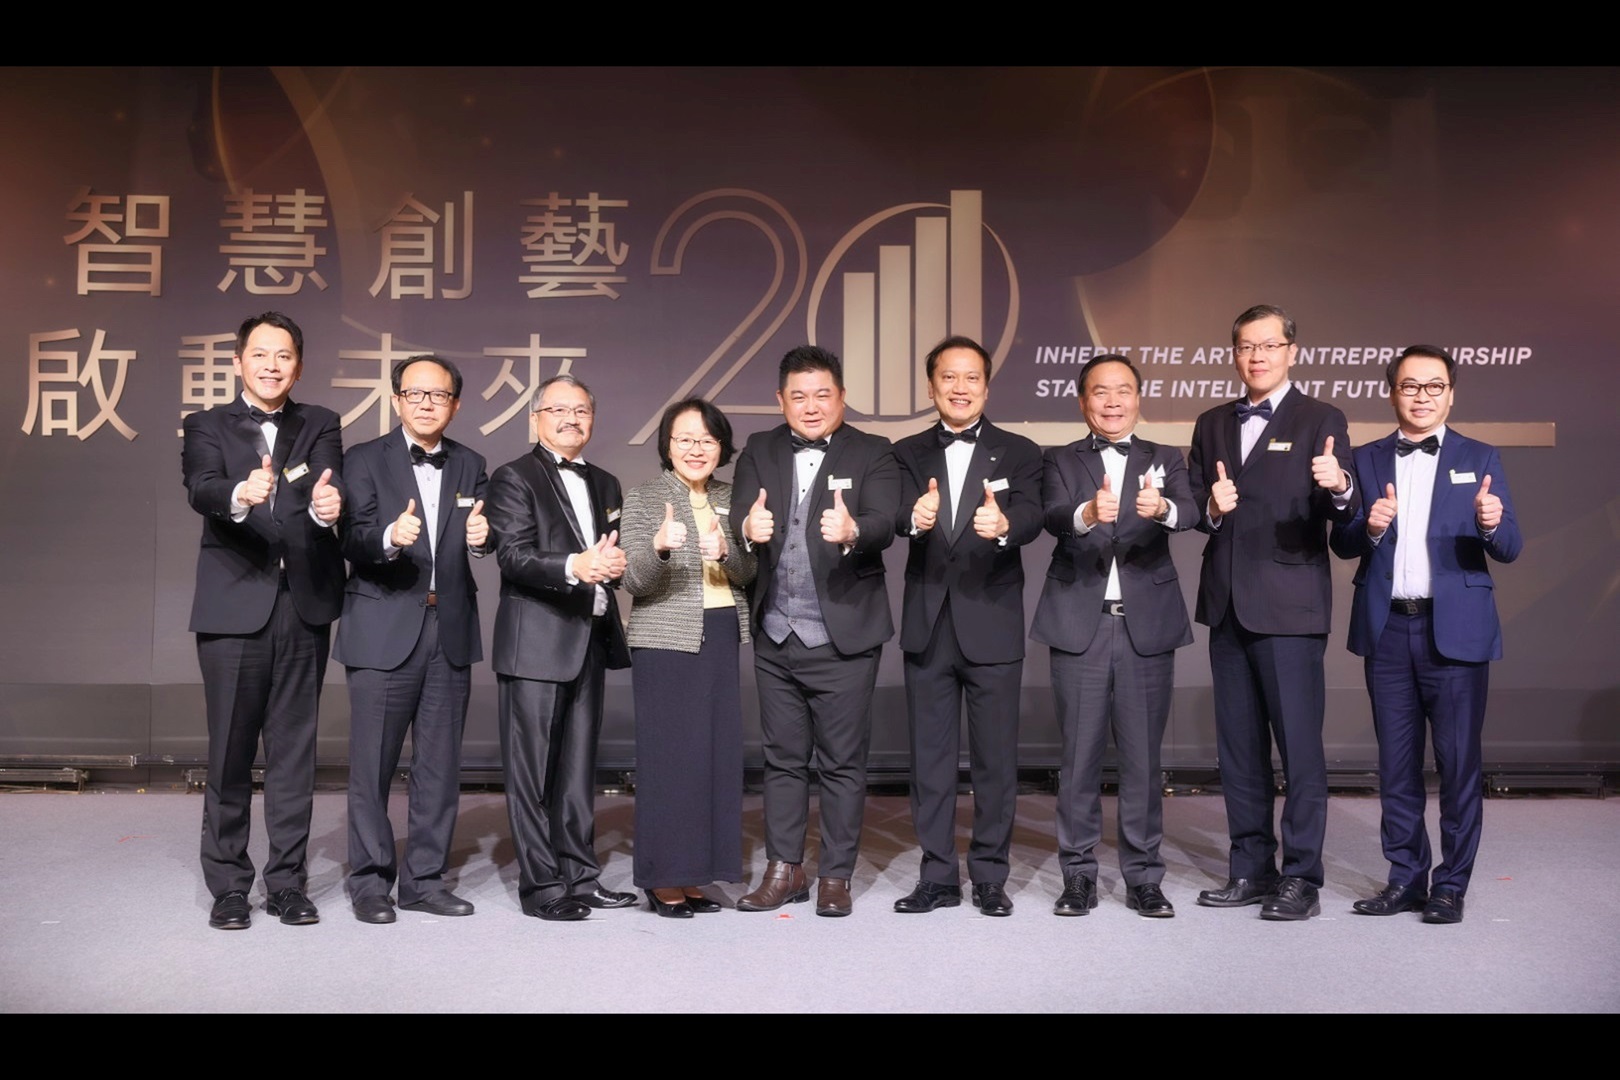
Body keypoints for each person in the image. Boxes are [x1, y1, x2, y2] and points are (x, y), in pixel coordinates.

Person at [1330, 345, 1521, 924]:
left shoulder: (1478, 455)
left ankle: (1451, 885)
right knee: (1396, 765)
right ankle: (1406, 878)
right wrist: (1367, 527)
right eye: (1410, 385)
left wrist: (1490, 524)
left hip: (1456, 633)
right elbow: (1342, 541)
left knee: (1459, 765)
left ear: (1451, 394)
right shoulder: (1366, 458)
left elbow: (1510, 546)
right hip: (1388, 629)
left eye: (1434, 386)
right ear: (1392, 392)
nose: (1421, 396)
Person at [1187, 304, 1358, 921]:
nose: (1256, 356)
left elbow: (1343, 511)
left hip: (1290, 608)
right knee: (1239, 751)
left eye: (1268, 345)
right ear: (1234, 354)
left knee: (1299, 751)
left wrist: (1339, 486)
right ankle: (1250, 869)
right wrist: (1210, 507)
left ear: (1292, 351)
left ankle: (1301, 878)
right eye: (1245, 346)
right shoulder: (1211, 422)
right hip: (1227, 606)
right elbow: (1195, 504)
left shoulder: (1321, 418)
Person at [181, 311, 344, 930]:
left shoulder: (320, 421)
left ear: (298, 366)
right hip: (233, 607)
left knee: (294, 753)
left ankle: (286, 883)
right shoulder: (206, 424)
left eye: (284, 356)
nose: (272, 366)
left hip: (303, 604)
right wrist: (237, 494)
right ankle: (228, 886)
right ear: (238, 361)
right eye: (260, 354)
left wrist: (328, 509)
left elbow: (328, 487)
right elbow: (200, 486)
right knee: (229, 751)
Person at [732, 345, 899, 917]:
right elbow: (740, 512)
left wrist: (855, 530)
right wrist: (748, 525)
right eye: (798, 396)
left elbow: (885, 521)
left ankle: (835, 874)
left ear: (842, 397)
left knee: (842, 762)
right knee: (781, 759)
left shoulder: (874, 451)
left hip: (844, 635)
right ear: (780, 400)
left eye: (822, 394)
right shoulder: (760, 448)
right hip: (776, 633)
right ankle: (784, 870)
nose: (811, 406)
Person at [1030, 353, 1196, 918]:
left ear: (1138, 399)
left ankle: (1144, 876)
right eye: (1100, 392)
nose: (1112, 401)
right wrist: (1085, 513)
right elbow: (1052, 515)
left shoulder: (1166, 457)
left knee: (1143, 761)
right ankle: (1078, 875)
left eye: (1123, 390)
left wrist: (1163, 507)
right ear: (1084, 401)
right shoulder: (1059, 458)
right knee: (1078, 759)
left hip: (1146, 626)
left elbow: (1191, 512)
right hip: (1081, 622)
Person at [333, 355, 489, 924]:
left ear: (455, 404)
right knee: (371, 766)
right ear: (396, 400)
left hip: (449, 630)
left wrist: (483, 539)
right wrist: (389, 538)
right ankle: (370, 882)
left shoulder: (471, 463)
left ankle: (424, 880)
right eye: (415, 393)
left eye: (438, 394)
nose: (426, 403)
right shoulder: (363, 458)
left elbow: (483, 532)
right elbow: (350, 538)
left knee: (439, 768)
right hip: (382, 628)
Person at [889, 336, 1042, 917]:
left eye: (971, 377)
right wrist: (911, 518)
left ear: (986, 386)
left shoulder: (1020, 450)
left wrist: (1005, 526)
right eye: (948, 378)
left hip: (992, 624)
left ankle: (990, 876)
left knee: (995, 763)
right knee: (929, 762)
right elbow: (889, 514)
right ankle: (936, 876)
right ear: (931, 387)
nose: (960, 388)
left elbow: (1033, 514)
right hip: (928, 624)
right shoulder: (904, 453)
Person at [486, 374, 635, 921]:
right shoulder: (513, 477)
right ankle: (542, 887)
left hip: (589, 639)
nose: (571, 419)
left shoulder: (607, 483)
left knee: (577, 773)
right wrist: (576, 565)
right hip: (535, 643)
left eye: (581, 411)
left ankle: (581, 876)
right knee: (530, 775)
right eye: (558, 410)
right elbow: (513, 556)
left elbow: (610, 557)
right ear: (535, 419)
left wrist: (615, 565)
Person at [619, 399, 756, 917]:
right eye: (685, 439)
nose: (696, 449)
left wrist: (727, 552)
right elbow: (634, 580)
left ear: (721, 447)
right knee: (669, 762)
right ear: (667, 445)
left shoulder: (731, 497)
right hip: (664, 640)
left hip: (720, 634)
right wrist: (658, 547)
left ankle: (697, 872)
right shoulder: (645, 497)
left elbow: (748, 573)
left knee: (712, 759)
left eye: (707, 440)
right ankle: (662, 877)